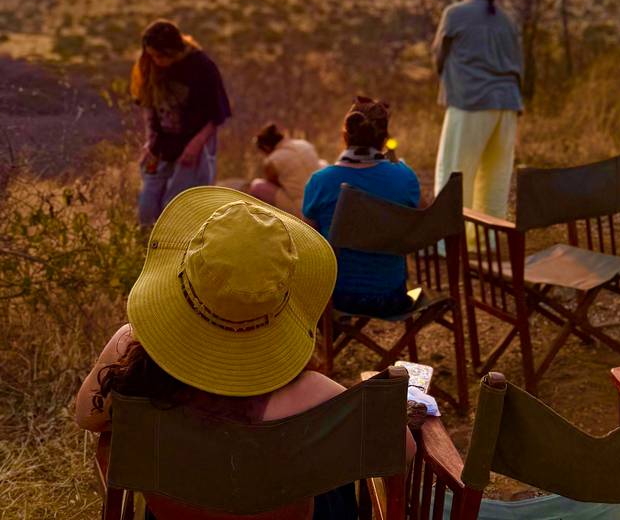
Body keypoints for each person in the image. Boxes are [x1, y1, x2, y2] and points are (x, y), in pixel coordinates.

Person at [74, 186, 414, 520]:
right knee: (330, 483)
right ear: (285, 296)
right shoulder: (314, 396)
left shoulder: (131, 352)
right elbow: (402, 450)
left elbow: (88, 418)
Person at [302, 98, 420, 317]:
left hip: (337, 299)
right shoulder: (405, 177)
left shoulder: (321, 181)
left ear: (345, 135)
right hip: (393, 298)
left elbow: (308, 241)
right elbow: (417, 220)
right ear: (385, 139)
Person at [431, 0, 523, 222]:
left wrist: (450, 83)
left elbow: (439, 56)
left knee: (454, 174)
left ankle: (447, 242)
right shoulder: (507, 19)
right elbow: (518, 62)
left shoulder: (455, 13)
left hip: (470, 101)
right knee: (495, 179)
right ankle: (487, 243)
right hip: (508, 104)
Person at [132, 19, 231, 227]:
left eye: (160, 56)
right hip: (163, 139)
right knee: (149, 196)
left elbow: (215, 113)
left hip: (196, 138)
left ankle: (176, 247)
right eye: (152, 55)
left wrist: (195, 145)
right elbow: (147, 104)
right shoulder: (148, 65)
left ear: (173, 51)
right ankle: (145, 242)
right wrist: (150, 140)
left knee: (181, 200)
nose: (156, 61)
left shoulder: (202, 67)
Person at [248, 123, 324, 217]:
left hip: (301, 209)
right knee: (321, 163)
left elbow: (275, 185)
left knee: (257, 186)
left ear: (266, 147)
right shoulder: (305, 144)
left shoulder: (272, 161)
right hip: (320, 202)